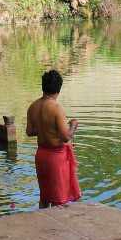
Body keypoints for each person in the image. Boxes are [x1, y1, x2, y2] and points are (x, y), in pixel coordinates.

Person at [26, 70, 81, 208]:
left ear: (43, 86)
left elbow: (30, 131)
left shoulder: (33, 106)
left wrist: (45, 127)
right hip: (57, 158)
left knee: (44, 197)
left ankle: (42, 226)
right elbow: (65, 136)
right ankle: (57, 229)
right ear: (59, 88)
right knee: (59, 200)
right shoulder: (56, 108)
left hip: (41, 156)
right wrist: (73, 125)